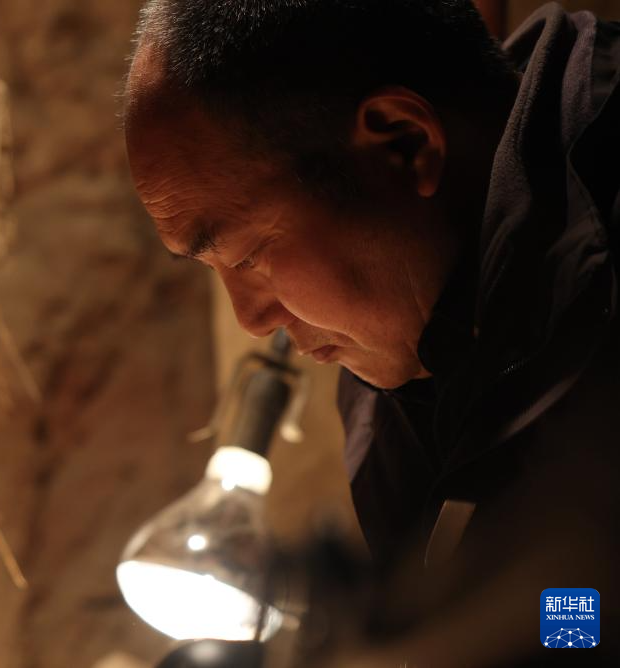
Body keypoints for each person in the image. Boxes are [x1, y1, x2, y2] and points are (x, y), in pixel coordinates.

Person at [123, 1, 620, 664]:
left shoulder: (594, 306)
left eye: (249, 256)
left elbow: (582, 619)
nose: (251, 318)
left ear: (404, 145)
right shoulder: (397, 366)